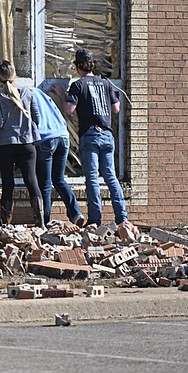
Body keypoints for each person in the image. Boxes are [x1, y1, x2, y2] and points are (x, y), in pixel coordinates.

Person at [61, 48, 136, 237]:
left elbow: (69, 110)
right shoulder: (106, 83)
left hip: (90, 134)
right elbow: (116, 108)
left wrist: (62, 95)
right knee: (111, 177)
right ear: (92, 65)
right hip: (107, 135)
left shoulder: (78, 85)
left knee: (92, 178)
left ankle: (95, 219)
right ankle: (122, 218)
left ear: (78, 66)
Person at [0, 61, 45, 228]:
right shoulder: (27, 92)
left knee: (8, 183)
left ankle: (5, 222)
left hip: (6, 144)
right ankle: (40, 221)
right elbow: (37, 118)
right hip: (27, 142)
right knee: (31, 180)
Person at [31, 87, 85, 227]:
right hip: (63, 136)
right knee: (59, 179)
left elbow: (33, 117)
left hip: (46, 139)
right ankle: (76, 213)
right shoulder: (43, 95)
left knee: (46, 184)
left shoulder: (26, 94)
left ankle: (45, 221)